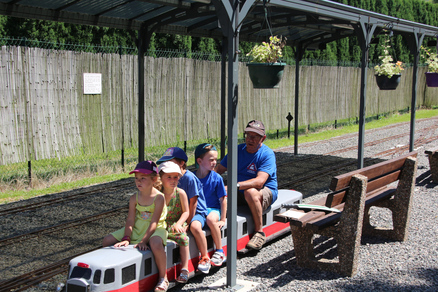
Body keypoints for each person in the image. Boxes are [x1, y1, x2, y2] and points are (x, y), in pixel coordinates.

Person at [102, 161, 169, 292]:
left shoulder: (159, 198)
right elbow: (130, 220)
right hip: (138, 227)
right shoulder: (134, 198)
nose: (138, 182)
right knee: (107, 240)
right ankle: (118, 267)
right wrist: (127, 237)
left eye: (143, 178)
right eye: (136, 179)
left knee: (155, 243)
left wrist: (144, 240)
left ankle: (163, 277)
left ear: (154, 179)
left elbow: (155, 222)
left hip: (156, 228)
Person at [216, 120, 278, 251]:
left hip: (263, 191)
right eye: (248, 135)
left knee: (251, 192)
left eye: (255, 136)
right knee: (217, 193)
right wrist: (202, 176)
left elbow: (259, 182)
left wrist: (233, 186)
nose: (250, 139)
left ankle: (259, 232)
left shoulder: (267, 154)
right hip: (239, 190)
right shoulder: (237, 150)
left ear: (263, 138)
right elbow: (219, 169)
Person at [156, 147, 210, 274]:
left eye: (171, 162)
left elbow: (194, 203)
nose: (168, 165)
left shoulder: (189, 178)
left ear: (181, 163)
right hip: (183, 211)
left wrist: (187, 223)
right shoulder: (169, 181)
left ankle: (205, 256)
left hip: (196, 212)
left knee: (195, 227)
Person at [194, 143, 227, 267]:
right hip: (198, 211)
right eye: (211, 159)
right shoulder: (192, 177)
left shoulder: (217, 178)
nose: (214, 162)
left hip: (213, 209)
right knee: (195, 226)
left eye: (216, 160)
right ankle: (204, 256)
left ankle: (219, 250)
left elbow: (223, 200)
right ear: (200, 161)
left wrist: (223, 219)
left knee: (210, 219)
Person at [157, 161, 190, 284]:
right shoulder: (157, 193)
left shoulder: (180, 193)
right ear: (161, 178)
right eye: (169, 177)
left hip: (176, 223)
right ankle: (161, 273)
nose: (173, 180)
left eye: (175, 177)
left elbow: (186, 212)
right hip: (162, 225)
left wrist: (179, 223)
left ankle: (185, 269)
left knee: (183, 238)